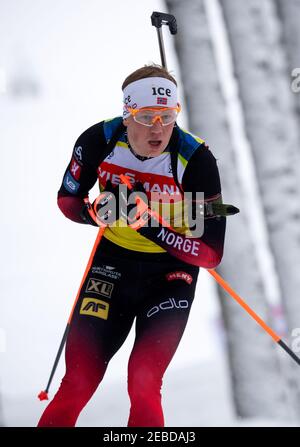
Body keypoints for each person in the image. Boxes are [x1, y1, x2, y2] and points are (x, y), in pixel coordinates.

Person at [37, 64, 227, 427]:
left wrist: (150, 225)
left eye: (167, 116)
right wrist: (95, 213)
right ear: (127, 115)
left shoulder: (197, 160)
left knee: (143, 380)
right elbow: (67, 201)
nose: (158, 128)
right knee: (76, 382)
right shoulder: (98, 140)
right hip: (111, 267)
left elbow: (210, 253)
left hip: (170, 274)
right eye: (147, 116)